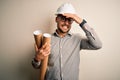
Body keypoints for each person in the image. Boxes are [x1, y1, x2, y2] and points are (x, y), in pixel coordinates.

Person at [32, 3, 102, 80]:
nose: (66, 23)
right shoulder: (46, 40)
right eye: (63, 18)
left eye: (70, 20)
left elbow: (97, 44)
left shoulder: (78, 39)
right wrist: (37, 59)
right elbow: (37, 66)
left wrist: (80, 21)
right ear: (56, 19)